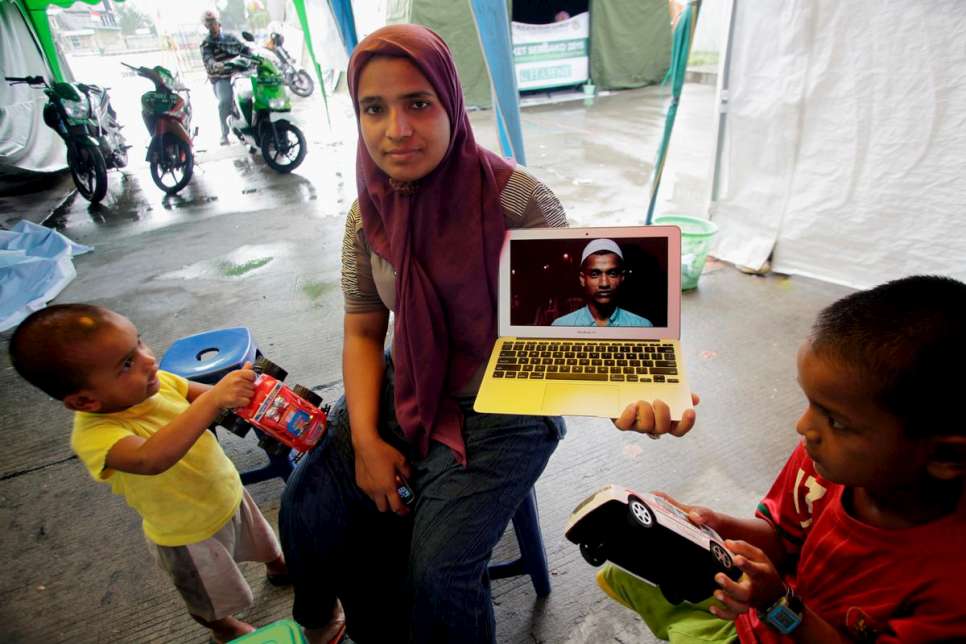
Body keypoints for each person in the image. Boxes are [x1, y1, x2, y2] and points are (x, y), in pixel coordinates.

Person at [278, 24, 697, 644]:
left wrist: (638, 394)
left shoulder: (520, 204)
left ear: (451, 102)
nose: (397, 129)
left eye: (418, 103)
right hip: (407, 385)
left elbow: (581, 335)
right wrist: (365, 439)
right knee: (306, 510)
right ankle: (326, 626)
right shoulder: (368, 212)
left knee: (439, 574)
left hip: (508, 405)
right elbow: (365, 331)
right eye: (374, 108)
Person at [597, 275, 966, 642]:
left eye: (835, 420)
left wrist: (777, 605)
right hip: (763, 608)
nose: (804, 427)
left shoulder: (951, 587)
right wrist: (716, 526)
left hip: (789, 619)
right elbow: (782, 536)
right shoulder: (822, 465)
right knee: (632, 562)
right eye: (811, 405)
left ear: (945, 456)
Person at [8, 304, 289, 644]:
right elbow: (152, 458)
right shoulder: (97, 437)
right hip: (186, 533)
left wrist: (249, 395)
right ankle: (222, 627)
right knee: (208, 594)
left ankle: (277, 566)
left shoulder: (161, 382)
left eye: (139, 343)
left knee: (261, 541)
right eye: (127, 363)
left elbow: (214, 404)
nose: (148, 360)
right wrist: (215, 398)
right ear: (85, 400)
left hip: (227, 492)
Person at [551, 238, 653, 327]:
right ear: (582, 279)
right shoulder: (561, 325)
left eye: (612, 273)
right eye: (595, 274)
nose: (604, 283)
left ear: (622, 277)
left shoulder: (642, 325)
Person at [200, 10, 250, 145]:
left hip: (239, 74)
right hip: (222, 77)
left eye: (213, 22)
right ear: (205, 26)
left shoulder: (231, 38)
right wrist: (215, 65)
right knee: (224, 102)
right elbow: (208, 59)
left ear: (219, 23)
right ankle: (224, 134)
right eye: (208, 23)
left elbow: (245, 49)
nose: (212, 25)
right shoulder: (206, 43)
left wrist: (252, 52)